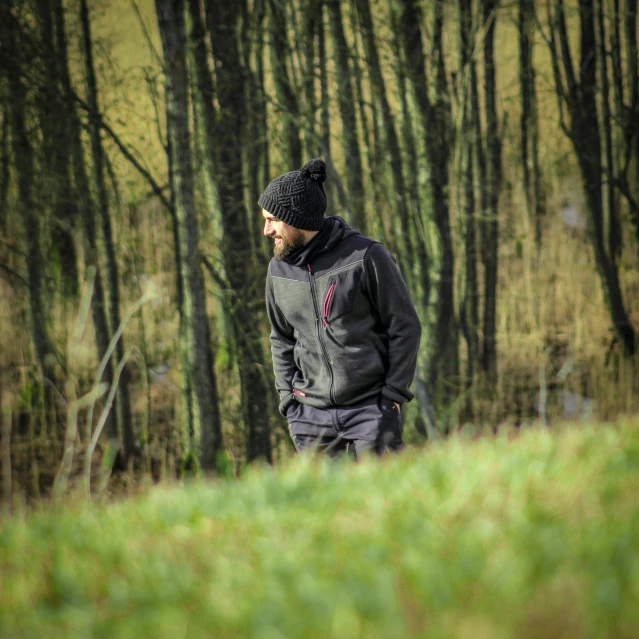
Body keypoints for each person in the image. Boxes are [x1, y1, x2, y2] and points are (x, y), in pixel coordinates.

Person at [260, 158, 421, 459]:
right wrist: (289, 402)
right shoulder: (277, 271)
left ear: (297, 220)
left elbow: (405, 326)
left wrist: (393, 396)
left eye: (273, 220)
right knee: (323, 506)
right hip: (309, 417)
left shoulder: (366, 256)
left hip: (370, 409)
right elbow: (280, 338)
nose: (266, 230)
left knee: (386, 499)